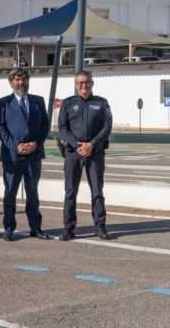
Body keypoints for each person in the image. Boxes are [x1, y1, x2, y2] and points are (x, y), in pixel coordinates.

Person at [0, 68, 50, 241]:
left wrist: (36, 143)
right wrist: (16, 146)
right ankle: (9, 228)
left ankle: (36, 227)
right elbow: (0, 128)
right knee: (10, 193)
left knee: (32, 193)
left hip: (34, 155)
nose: (21, 82)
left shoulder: (38, 101)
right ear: (11, 82)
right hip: (12, 156)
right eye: (17, 79)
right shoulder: (3, 102)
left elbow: (45, 125)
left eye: (24, 79)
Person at [57, 70, 113, 241]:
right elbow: (62, 128)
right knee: (70, 191)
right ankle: (68, 228)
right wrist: (77, 145)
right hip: (73, 153)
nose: (84, 85)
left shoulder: (102, 103)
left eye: (87, 82)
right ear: (76, 85)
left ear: (92, 83)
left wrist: (91, 144)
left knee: (97, 191)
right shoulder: (67, 103)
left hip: (95, 152)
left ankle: (100, 226)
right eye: (80, 82)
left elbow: (107, 127)